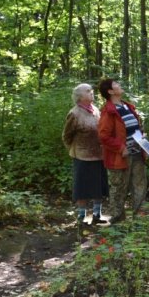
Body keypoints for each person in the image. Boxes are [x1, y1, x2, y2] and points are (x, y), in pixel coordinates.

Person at [97, 79, 147, 223]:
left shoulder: (127, 106)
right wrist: (120, 147)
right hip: (121, 156)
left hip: (137, 153)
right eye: (116, 84)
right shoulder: (109, 111)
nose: (120, 85)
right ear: (110, 91)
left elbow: (134, 128)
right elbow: (103, 136)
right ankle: (117, 219)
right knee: (119, 188)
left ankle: (139, 218)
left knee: (140, 185)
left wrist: (142, 134)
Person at [62, 83, 109, 235]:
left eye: (92, 91)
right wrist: (74, 150)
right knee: (82, 188)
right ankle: (81, 217)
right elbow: (66, 136)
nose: (92, 93)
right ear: (80, 96)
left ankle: (97, 215)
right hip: (82, 156)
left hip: (98, 155)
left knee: (98, 186)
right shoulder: (74, 113)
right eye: (88, 91)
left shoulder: (96, 110)